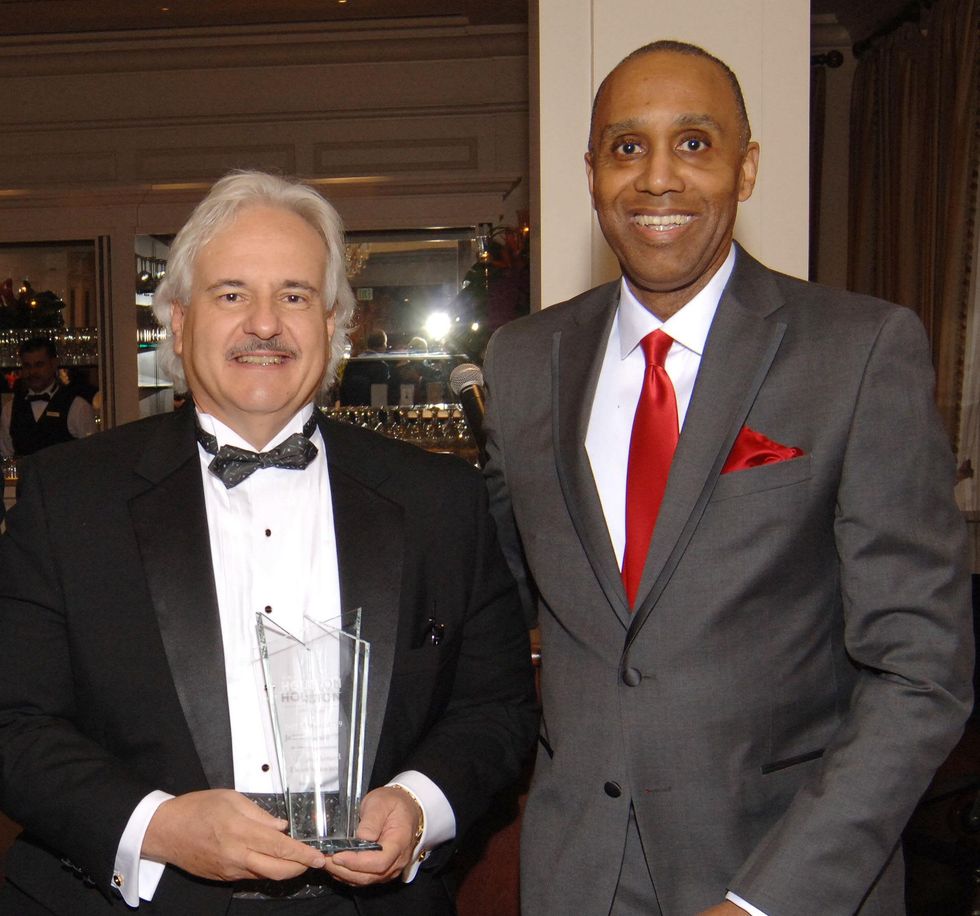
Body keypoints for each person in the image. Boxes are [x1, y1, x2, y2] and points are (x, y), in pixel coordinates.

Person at [482, 40, 973, 916]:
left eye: (696, 144)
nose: (658, 178)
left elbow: (922, 671)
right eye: (627, 147)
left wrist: (765, 902)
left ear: (746, 170)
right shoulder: (523, 362)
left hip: (785, 875)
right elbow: (484, 609)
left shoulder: (859, 351)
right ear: (591, 173)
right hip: (574, 880)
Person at [0, 171, 537, 915]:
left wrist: (419, 806)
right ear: (179, 323)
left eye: (294, 295)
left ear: (335, 325)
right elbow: (15, 722)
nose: (264, 324)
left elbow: (499, 708)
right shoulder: (68, 499)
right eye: (231, 295)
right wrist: (159, 826)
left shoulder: (440, 500)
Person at [0, 336, 97, 457]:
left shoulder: (77, 407)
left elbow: (90, 455)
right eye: (27, 366)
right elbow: (6, 456)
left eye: (39, 365)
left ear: (54, 364)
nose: (32, 372)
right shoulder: (9, 410)